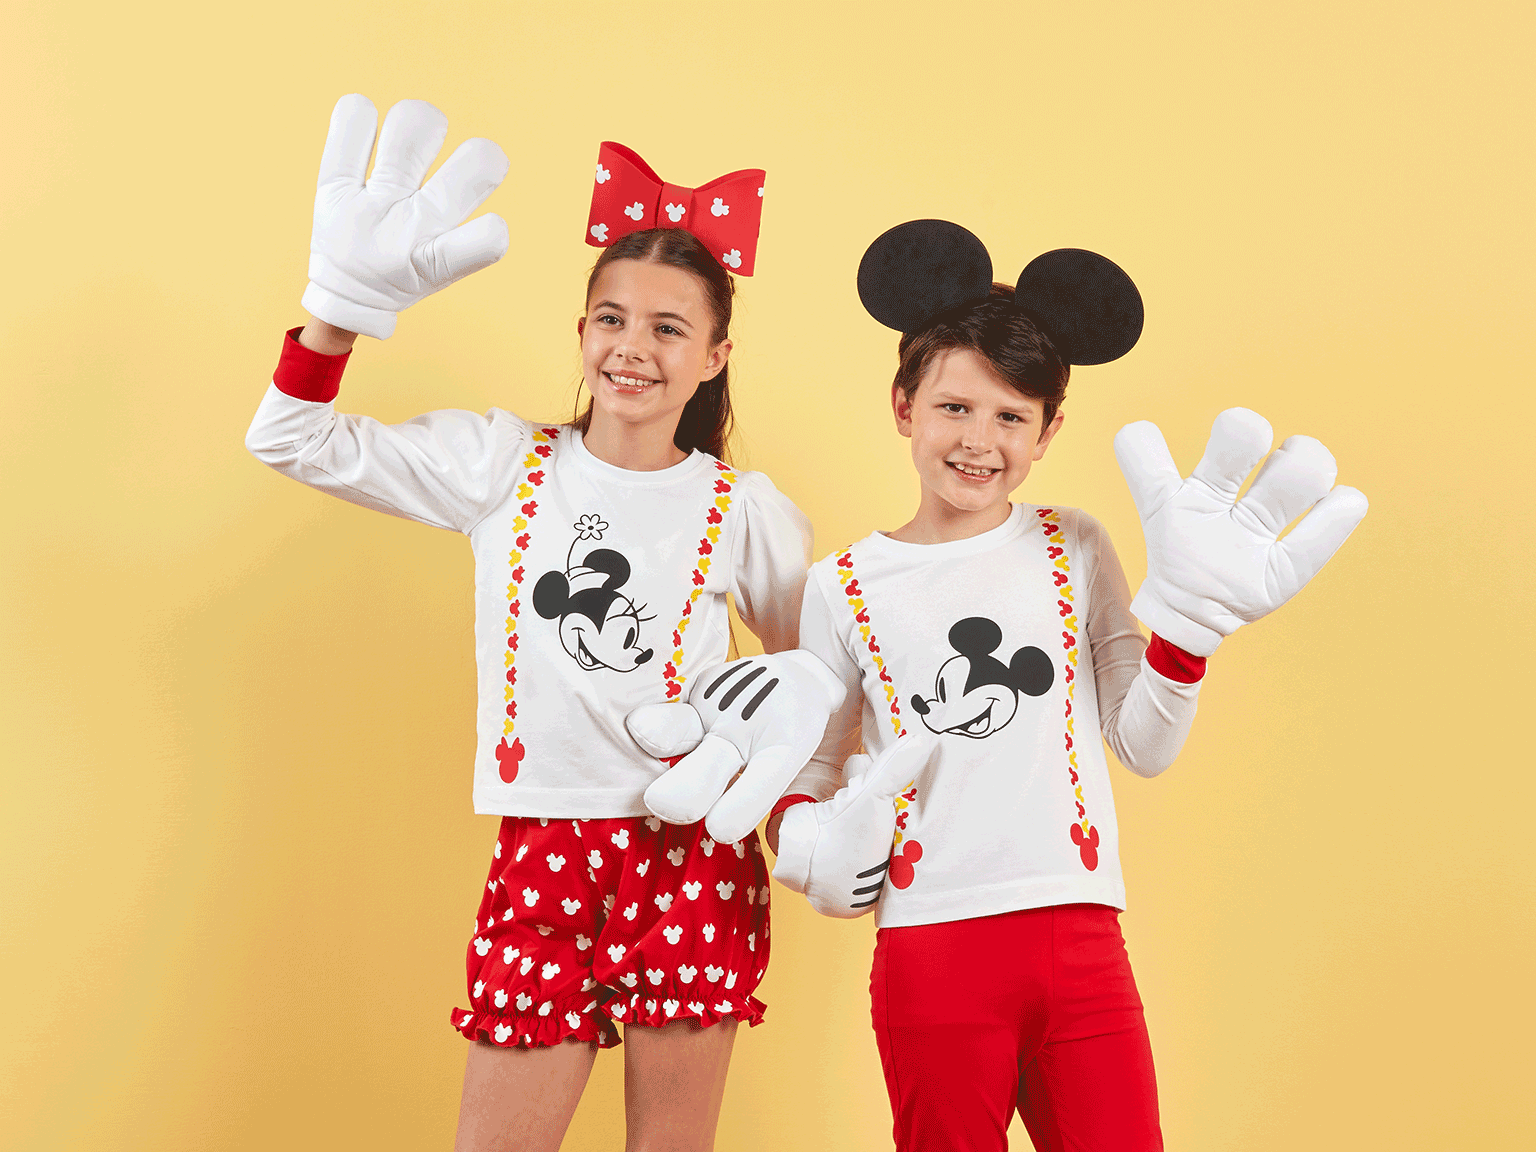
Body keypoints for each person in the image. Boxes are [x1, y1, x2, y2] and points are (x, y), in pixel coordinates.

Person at [245, 95, 814, 1152]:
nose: (633, 348)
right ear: (582, 330)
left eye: (668, 327)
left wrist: (816, 826)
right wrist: (337, 309)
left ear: (716, 356)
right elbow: (291, 439)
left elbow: (806, 697)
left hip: (690, 858)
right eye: (612, 319)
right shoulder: (502, 465)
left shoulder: (748, 509)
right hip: (544, 843)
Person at [767, 220, 1368, 1151]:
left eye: (1011, 418)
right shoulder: (841, 587)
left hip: (1081, 936)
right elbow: (808, 771)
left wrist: (1189, 633)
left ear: (1049, 430)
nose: (979, 441)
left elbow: (1143, 742)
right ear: (903, 405)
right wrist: (808, 847)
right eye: (955, 408)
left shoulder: (1073, 544)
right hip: (932, 946)